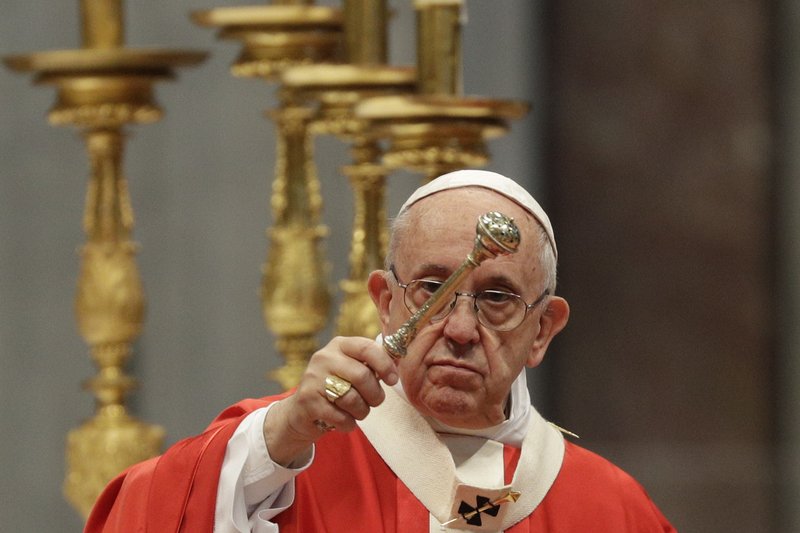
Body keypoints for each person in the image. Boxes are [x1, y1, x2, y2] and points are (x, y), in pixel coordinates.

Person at [85, 169, 676, 532]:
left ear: (543, 329)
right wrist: (282, 432)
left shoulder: (610, 511)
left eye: (496, 297)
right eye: (431, 289)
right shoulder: (284, 463)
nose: (461, 329)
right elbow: (145, 516)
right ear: (385, 302)